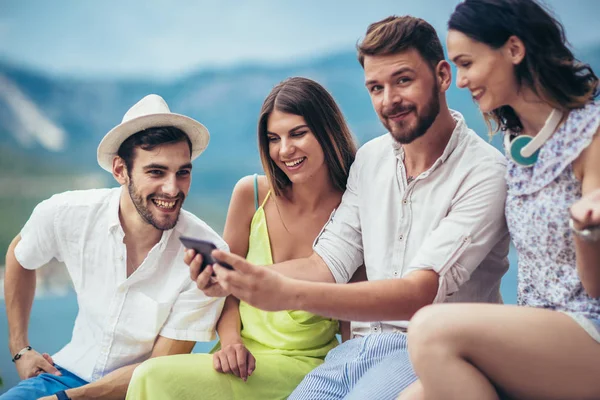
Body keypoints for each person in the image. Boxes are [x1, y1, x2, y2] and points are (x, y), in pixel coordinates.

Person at [190, 16, 511, 400]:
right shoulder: (371, 159)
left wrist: (284, 292)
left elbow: (420, 292)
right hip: (353, 352)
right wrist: (238, 276)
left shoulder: (484, 173)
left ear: (443, 76)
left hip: (428, 350)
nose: (389, 100)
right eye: (376, 87)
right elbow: (325, 264)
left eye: (403, 80)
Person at [401, 1, 600, 399]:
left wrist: (586, 231)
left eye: (467, 63)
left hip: (588, 329)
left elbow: (594, 288)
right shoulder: (519, 150)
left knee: (429, 329)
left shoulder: (591, 137)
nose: (459, 81)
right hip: (539, 329)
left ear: (513, 49)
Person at [125, 77, 358, 399]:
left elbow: (354, 318)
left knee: (151, 376)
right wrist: (232, 341)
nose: (285, 149)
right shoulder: (251, 193)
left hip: (305, 368)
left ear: (327, 130)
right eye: (273, 138)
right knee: (154, 376)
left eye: (298, 133)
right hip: (236, 358)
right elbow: (226, 292)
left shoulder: (353, 212)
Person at [2, 94, 227, 400]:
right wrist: (20, 348)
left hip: (141, 392)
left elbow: (157, 369)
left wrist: (70, 399)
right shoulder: (67, 212)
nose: (173, 189)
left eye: (183, 172)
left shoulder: (205, 255)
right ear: (120, 170)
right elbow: (20, 255)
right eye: (156, 172)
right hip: (62, 376)